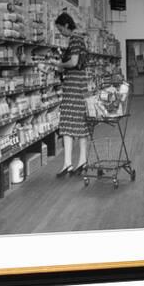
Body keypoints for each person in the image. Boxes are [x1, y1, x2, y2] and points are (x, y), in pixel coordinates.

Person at [50, 12, 89, 177]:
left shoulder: (74, 39)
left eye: (60, 29)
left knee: (70, 123)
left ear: (66, 25)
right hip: (77, 85)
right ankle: (77, 162)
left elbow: (73, 62)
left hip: (73, 87)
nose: (60, 33)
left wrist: (59, 65)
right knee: (76, 124)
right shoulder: (79, 39)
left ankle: (73, 163)